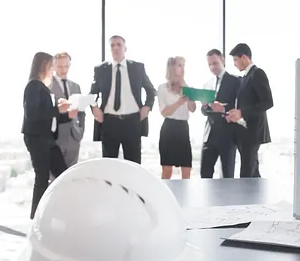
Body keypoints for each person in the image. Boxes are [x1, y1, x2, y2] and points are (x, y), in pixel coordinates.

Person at [21, 52, 76, 219]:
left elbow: (49, 116)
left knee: (62, 174)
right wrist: (57, 110)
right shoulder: (33, 86)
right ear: (42, 65)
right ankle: (36, 218)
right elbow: (33, 114)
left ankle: (59, 212)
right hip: (37, 138)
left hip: (47, 139)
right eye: (51, 65)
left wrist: (67, 115)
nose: (53, 68)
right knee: (42, 177)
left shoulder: (42, 87)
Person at [89, 35, 156, 164]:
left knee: (134, 164)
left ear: (125, 48)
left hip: (132, 122)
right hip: (109, 122)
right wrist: (94, 108)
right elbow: (92, 93)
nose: (115, 48)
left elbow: (151, 90)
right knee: (109, 164)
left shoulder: (137, 68)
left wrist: (147, 107)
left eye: (119, 45)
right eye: (112, 45)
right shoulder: (101, 70)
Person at [228, 43, 273, 178]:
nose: (235, 64)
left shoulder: (257, 73)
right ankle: (256, 198)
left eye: (235, 60)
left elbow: (268, 102)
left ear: (244, 58)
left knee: (247, 173)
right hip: (244, 130)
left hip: (253, 131)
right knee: (252, 172)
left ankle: (247, 199)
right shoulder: (245, 77)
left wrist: (242, 112)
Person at [200, 49, 240, 178]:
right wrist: (205, 106)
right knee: (205, 174)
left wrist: (223, 108)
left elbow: (240, 105)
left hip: (227, 135)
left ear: (222, 60)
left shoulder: (235, 81)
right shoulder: (207, 83)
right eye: (210, 64)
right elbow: (204, 111)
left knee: (227, 175)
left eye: (215, 63)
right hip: (209, 135)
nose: (212, 67)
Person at [157, 56, 196, 179]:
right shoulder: (162, 88)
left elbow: (193, 109)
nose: (182, 69)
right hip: (169, 127)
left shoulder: (187, 87)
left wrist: (189, 95)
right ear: (172, 68)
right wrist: (179, 103)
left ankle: (185, 196)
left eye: (183, 65)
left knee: (186, 167)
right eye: (179, 65)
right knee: (167, 169)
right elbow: (164, 112)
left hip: (183, 128)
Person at [51, 52, 85, 167]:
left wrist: (81, 130)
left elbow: (81, 112)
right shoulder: (47, 86)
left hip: (74, 136)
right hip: (56, 138)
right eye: (60, 66)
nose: (63, 70)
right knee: (55, 177)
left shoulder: (76, 86)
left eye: (66, 66)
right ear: (54, 66)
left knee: (71, 175)